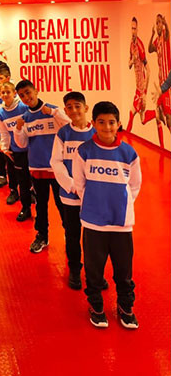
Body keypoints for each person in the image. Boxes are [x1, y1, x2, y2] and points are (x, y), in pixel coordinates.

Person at [73, 101, 142, 329]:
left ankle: (125, 307)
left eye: (111, 122)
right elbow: (80, 184)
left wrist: (122, 205)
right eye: (101, 122)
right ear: (93, 123)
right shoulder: (84, 151)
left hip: (122, 224)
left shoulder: (129, 153)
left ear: (119, 123)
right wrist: (94, 203)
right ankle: (96, 306)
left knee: (124, 272)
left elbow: (134, 185)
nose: (107, 127)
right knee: (93, 271)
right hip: (93, 223)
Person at [14, 79, 70, 253]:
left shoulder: (53, 111)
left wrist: (54, 113)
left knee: (63, 204)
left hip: (57, 169)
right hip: (37, 169)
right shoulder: (25, 118)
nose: (26, 97)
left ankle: (70, 235)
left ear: (36, 91)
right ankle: (42, 236)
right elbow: (22, 144)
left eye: (28, 92)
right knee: (41, 205)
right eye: (22, 95)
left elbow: (70, 127)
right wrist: (18, 129)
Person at [50, 92, 95, 289]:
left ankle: (94, 274)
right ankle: (75, 270)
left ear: (86, 108)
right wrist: (71, 185)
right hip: (70, 197)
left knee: (94, 238)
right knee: (72, 235)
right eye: (69, 107)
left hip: (93, 197)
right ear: (65, 111)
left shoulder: (97, 133)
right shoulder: (63, 134)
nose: (74, 110)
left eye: (78, 106)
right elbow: (56, 162)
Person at [0, 82, 32, 221]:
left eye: (8, 92)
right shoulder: (1, 113)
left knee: (33, 178)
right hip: (17, 150)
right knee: (22, 181)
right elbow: (4, 133)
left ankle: (33, 195)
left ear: (14, 93)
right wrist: (5, 149)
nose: (5, 95)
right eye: (3, 92)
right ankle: (26, 208)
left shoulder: (24, 107)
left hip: (32, 149)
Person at [126, 17, 155, 133]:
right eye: (131, 28)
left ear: (137, 30)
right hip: (137, 87)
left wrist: (145, 94)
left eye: (134, 29)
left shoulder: (140, 46)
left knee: (132, 113)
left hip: (142, 90)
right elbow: (129, 64)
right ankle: (157, 113)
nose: (133, 31)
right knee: (141, 119)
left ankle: (124, 140)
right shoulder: (131, 44)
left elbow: (149, 70)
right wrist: (131, 61)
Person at [148, 14, 171, 141]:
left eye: (159, 23)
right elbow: (150, 49)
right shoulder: (157, 41)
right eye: (157, 23)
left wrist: (165, 23)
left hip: (167, 83)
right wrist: (152, 34)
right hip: (160, 84)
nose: (158, 25)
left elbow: (167, 33)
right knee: (158, 115)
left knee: (168, 117)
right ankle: (162, 147)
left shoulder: (165, 36)